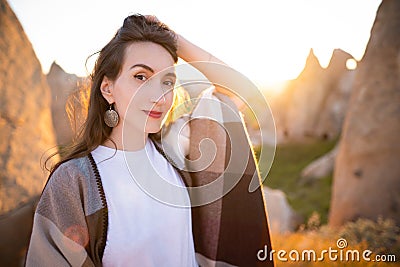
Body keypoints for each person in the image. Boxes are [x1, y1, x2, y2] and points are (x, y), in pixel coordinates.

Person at [26, 14, 274, 266]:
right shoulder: (73, 182)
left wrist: (173, 39)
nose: (160, 96)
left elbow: (239, 91)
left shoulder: (176, 148)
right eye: (141, 77)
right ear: (107, 89)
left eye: (167, 81)